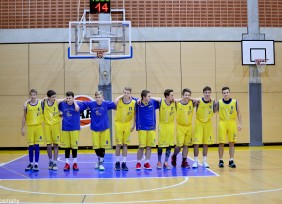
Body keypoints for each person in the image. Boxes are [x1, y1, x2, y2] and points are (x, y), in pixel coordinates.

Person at [84, 91, 116, 171]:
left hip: (104, 129)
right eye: (97, 97)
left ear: (102, 98)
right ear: (95, 98)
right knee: (96, 147)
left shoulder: (106, 104)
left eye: (100, 97)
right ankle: (99, 159)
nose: (98, 99)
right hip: (95, 128)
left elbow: (116, 103)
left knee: (102, 147)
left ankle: (101, 162)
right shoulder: (91, 104)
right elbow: (82, 103)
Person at [59, 91, 86, 171]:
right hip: (65, 128)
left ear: (73, 98)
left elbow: (88, 104)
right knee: (66, 147)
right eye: (67, 98)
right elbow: (54, 102)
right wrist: (62, 100)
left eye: (70, 98)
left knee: (74, 147)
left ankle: (75, 163)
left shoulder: (78, 105)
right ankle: (67, 163)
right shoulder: (62, 104)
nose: (68, 100)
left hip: (75, 128)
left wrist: (75, 102)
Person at [217, 87, 242, 168]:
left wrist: (240, 124)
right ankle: (220, 160)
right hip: (222, 123)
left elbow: (239, 113)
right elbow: (213, 110)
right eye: (224, 93)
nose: (226, 94)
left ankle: (231, 160)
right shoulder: (219, 102)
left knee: (231, 143)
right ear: (222, 94)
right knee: (221, 143)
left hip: (232, 123)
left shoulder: (235, 102)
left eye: (227, 92)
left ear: (229, 93)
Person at [135, 90, 160, 170]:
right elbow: (129, 97)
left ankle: (146, 163)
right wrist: (139, 99)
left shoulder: (153, 102)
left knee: (149, 147)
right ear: (143, 97)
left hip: (151, 128)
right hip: (142, 128)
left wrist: (152, 97)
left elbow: (162, 101)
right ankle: (138, 163)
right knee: (141, 147)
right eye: (149, 96)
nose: (150, 97)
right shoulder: (138, 103)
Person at [192, 86, 216, 168]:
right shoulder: (198, 101)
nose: (207, 94)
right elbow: (189, 100)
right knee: (196, 143)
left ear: (211, 93)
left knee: (206, 143)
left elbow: (215, 110)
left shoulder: (213, 102)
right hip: (198, 123)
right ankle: (195, 161)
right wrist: (194, 100)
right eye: (206, 92)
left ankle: (204, 161)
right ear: (203, 93)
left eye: (209, 92)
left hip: (207, 123)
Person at [151, 89, 175, 170]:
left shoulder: (174, 102)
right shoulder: (161, 101)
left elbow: (184, 100)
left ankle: (166, 162)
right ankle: (159, 161)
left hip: (171, 126)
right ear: (167, 96)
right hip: (162, 126)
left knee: (169, 145)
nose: (173, 97)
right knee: (161, 145)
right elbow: (151, 98)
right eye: (171, 95)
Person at [171, 88, 195, 168]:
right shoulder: (177, 103)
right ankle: (174, 156)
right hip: (180, 126)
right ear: (182, 95)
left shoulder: (192, 102)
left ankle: (184, 161)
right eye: (185, 95)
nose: (187, 96)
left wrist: (190, 98)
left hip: (189, 126)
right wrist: (181, 99)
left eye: (188, 95)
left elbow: (200, 99)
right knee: (179, 145)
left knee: (186, 145)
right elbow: (172, 99)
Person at [21, 89, 44, 171]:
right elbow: (24, 117)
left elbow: (47, 99)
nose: (33, 96)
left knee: (37, 146)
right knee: (30, 146)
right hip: (30, 127)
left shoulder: (41, 103)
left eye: (34, 95)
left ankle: (36, 164)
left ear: (36, 95)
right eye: (31, 95)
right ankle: (31, 163)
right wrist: (22, 128)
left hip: (38, 127)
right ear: (30, 95)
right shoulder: (26, 105)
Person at [114, 87, 136, 171]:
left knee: (125, 144)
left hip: (127, 124)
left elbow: (134, 115)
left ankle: (124, 163)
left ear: (130, 94)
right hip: (119, 123)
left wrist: (133, 125)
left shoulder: (133, 102)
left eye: (128, 93)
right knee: (118, 144)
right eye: (124, 93)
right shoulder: (119, 101)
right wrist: (119, 97)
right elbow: (114, 102)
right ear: (122, 93)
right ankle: (117, 162)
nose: (126, 94)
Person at [43, 90, 63, 171]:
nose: (54, 98)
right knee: (48, 145)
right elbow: (34, 100)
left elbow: (65, 99)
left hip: (56, 126)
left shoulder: (57, 102)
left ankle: (55, 162)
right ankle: (50, 161)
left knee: (56, 144)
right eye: (52, 97)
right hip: (47, 126)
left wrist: (60, 113)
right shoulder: (43, 103)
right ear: (48, 97)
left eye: (55, 97)